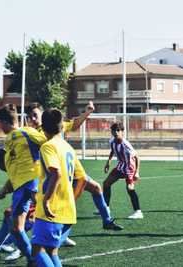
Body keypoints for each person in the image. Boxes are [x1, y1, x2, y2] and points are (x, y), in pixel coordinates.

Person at [26, 102, 123, 231]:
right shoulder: (33, 134)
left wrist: (87, 112)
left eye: (35, 115)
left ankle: (107, 220)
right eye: (29, 116)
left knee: (95, 188)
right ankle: (13, 243)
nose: (33, 119)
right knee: (37, 212)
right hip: (51, 177)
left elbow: (74, 124)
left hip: (67, 172)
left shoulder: (54, 126)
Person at [32, 108, 86, 267]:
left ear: (43, 127)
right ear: (62, 126)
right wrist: (72, 199)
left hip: (51, 211)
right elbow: (81, 178)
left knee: (37, 251)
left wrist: (47, 200)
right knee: (51, 252)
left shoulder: (48, 147)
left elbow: (55, 173)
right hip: (67, 210)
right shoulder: (68, 147)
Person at [0, 104, 47, 266]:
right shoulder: (9, 139)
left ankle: (49, 249)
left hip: (32, 181)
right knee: (17, 228)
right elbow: (13, 169)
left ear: (4, 122)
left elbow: (48, 143)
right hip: (19, 188)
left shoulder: (27, 132)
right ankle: (32, 258)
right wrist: (4, 189)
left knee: (46, 216)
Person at [103, 122, 143, 219]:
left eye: (118, 130)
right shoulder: (112, 141)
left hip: (130, 167)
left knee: (130, 188)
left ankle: (138, 212)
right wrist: (108, 162)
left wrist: (137, 172)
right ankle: (106, 208)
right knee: (106, 184)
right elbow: (113, 150)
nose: (116, 132)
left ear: (122, 132)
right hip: (121, 166)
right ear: (111, 132)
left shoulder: (126, 145)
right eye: (114, 130)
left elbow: (137, 157)